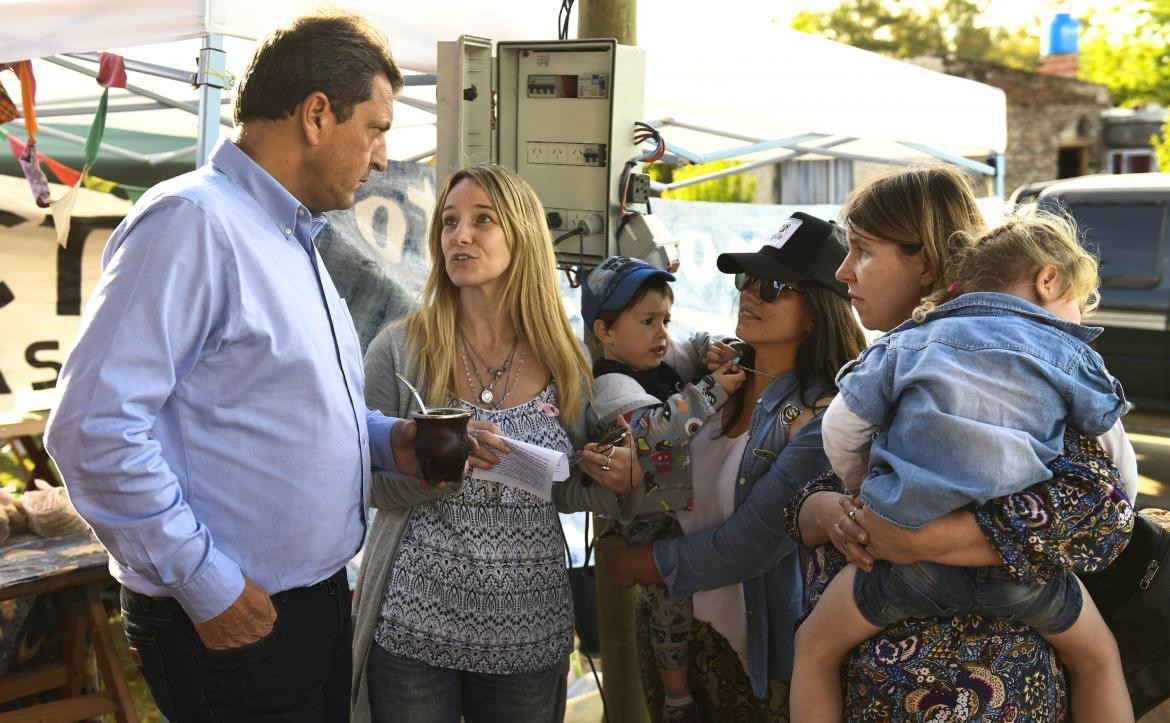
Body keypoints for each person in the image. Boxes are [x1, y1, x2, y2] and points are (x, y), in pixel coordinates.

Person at [43, 13, 414, 721]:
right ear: (315, 115)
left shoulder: (289, 232)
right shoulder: (194, 223)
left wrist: (384, 440)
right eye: (375, 127)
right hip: (232, 619)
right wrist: (204, 580)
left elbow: (284, 406)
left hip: (305, 604)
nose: (381, 157)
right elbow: (92, 429)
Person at [785, 165, 1135, 720]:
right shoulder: (1039, 359)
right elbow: (803, 502)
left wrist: (910, 534)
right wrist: (828, 510)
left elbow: (1105, 510)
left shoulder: (912, 359)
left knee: (813, 651)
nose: (843, 270)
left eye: (862, 249)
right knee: (1100, 658)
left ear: (922, 259)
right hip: (893, 675)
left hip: (988, 683)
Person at [351, 164, 643, 723]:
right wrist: (433, 469)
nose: (459, 235)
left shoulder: (567, 356)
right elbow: (358, 477)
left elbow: (568, 487)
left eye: (482, 220)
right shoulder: (399, 347)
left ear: (522, 236)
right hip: (414, 624)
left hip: (528, 632)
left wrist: (619, 478)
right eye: (449, 222)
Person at [599, 212, 867, 720]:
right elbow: (652, 462)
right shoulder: (712, 378)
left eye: (772, 286)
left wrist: (628, 561)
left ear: (815, 311)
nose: (748, 293)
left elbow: (746, 548)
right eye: (747, 279)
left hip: (756, 659)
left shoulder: (824, 417)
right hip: (670, 635)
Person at [583, 254, 746, 723]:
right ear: (604, 332)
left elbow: (695, 343)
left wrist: (720, 347)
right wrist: (712, 391)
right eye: (648, 320)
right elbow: (653, 431)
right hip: (650, 519)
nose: (662, 332)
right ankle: (677, 698)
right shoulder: (609, 385)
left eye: (665, 319)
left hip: (687, 507)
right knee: (668, 601)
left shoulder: (664, 352)